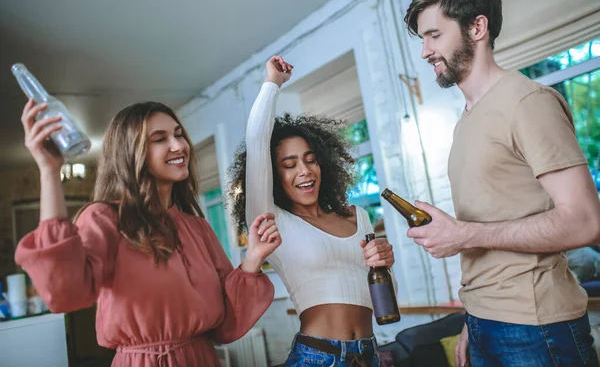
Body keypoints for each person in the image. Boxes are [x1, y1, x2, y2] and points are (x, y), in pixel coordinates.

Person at [403, 0, 600, 367]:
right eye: (422, 39)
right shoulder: (467, 121)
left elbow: (585, 222)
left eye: (434, 35)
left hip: (537, 328)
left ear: (477, 27)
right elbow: (491, 239)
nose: (425, 51)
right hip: (485, 322)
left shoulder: (528, 102)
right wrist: (471, 321)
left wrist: (463, 235)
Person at [15, 99, 281, 366]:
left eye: (178, 134)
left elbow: (225, 327)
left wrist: (254, 256)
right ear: (131, 153)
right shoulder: (104, 219)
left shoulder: (197, 227)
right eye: (159, 139)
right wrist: (49, 171)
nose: (179, 146)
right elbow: (66, 294)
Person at [228, 55, 396, 367]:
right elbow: (256, 140)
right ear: (275, 177)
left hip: (369, 355)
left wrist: (385, 264)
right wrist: (272, 84)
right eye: (289, 165)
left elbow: (381, 297)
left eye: (310, 159)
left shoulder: (358, 216)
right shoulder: (272, 222)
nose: (304, 171)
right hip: (318, 357)